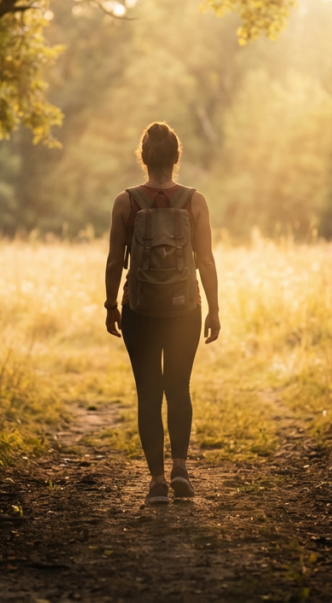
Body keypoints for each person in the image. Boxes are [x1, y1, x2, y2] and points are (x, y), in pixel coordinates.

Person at [104, 121, 220, 506]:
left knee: (149, 394)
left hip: (139, 309)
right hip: (184, 309)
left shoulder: (127, 201)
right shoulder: (194, 201)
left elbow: (113, 262)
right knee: (179, 389)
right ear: (175, 157)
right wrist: (214, 309)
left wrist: (110, 306)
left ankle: (156, 481)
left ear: (143, 157)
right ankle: (181, 470)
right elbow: (205, 260)